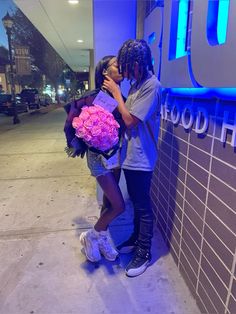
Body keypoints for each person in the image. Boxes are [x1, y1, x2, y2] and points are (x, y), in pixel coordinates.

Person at [103, 39, 161, 277]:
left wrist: (117, 94)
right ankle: (137, 239)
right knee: (137, 204)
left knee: (142, 205)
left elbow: (130, 120)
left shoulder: (151, 86)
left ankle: (144, 252)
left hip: (142, 157)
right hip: (130, 156)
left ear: (138, 63)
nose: (125, 73)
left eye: (127, 67)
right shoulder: (137, 85)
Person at [64, 56, 125, 263]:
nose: (122, 67)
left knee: (109, 203)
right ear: (105, 72)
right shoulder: (92, 97)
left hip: (116, 156)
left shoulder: (120, 97)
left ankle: (101, 239)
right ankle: (91, 235)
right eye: (117, 65)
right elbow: (72, 120)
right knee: (119, 206)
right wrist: (78, 143)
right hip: (99, 159)